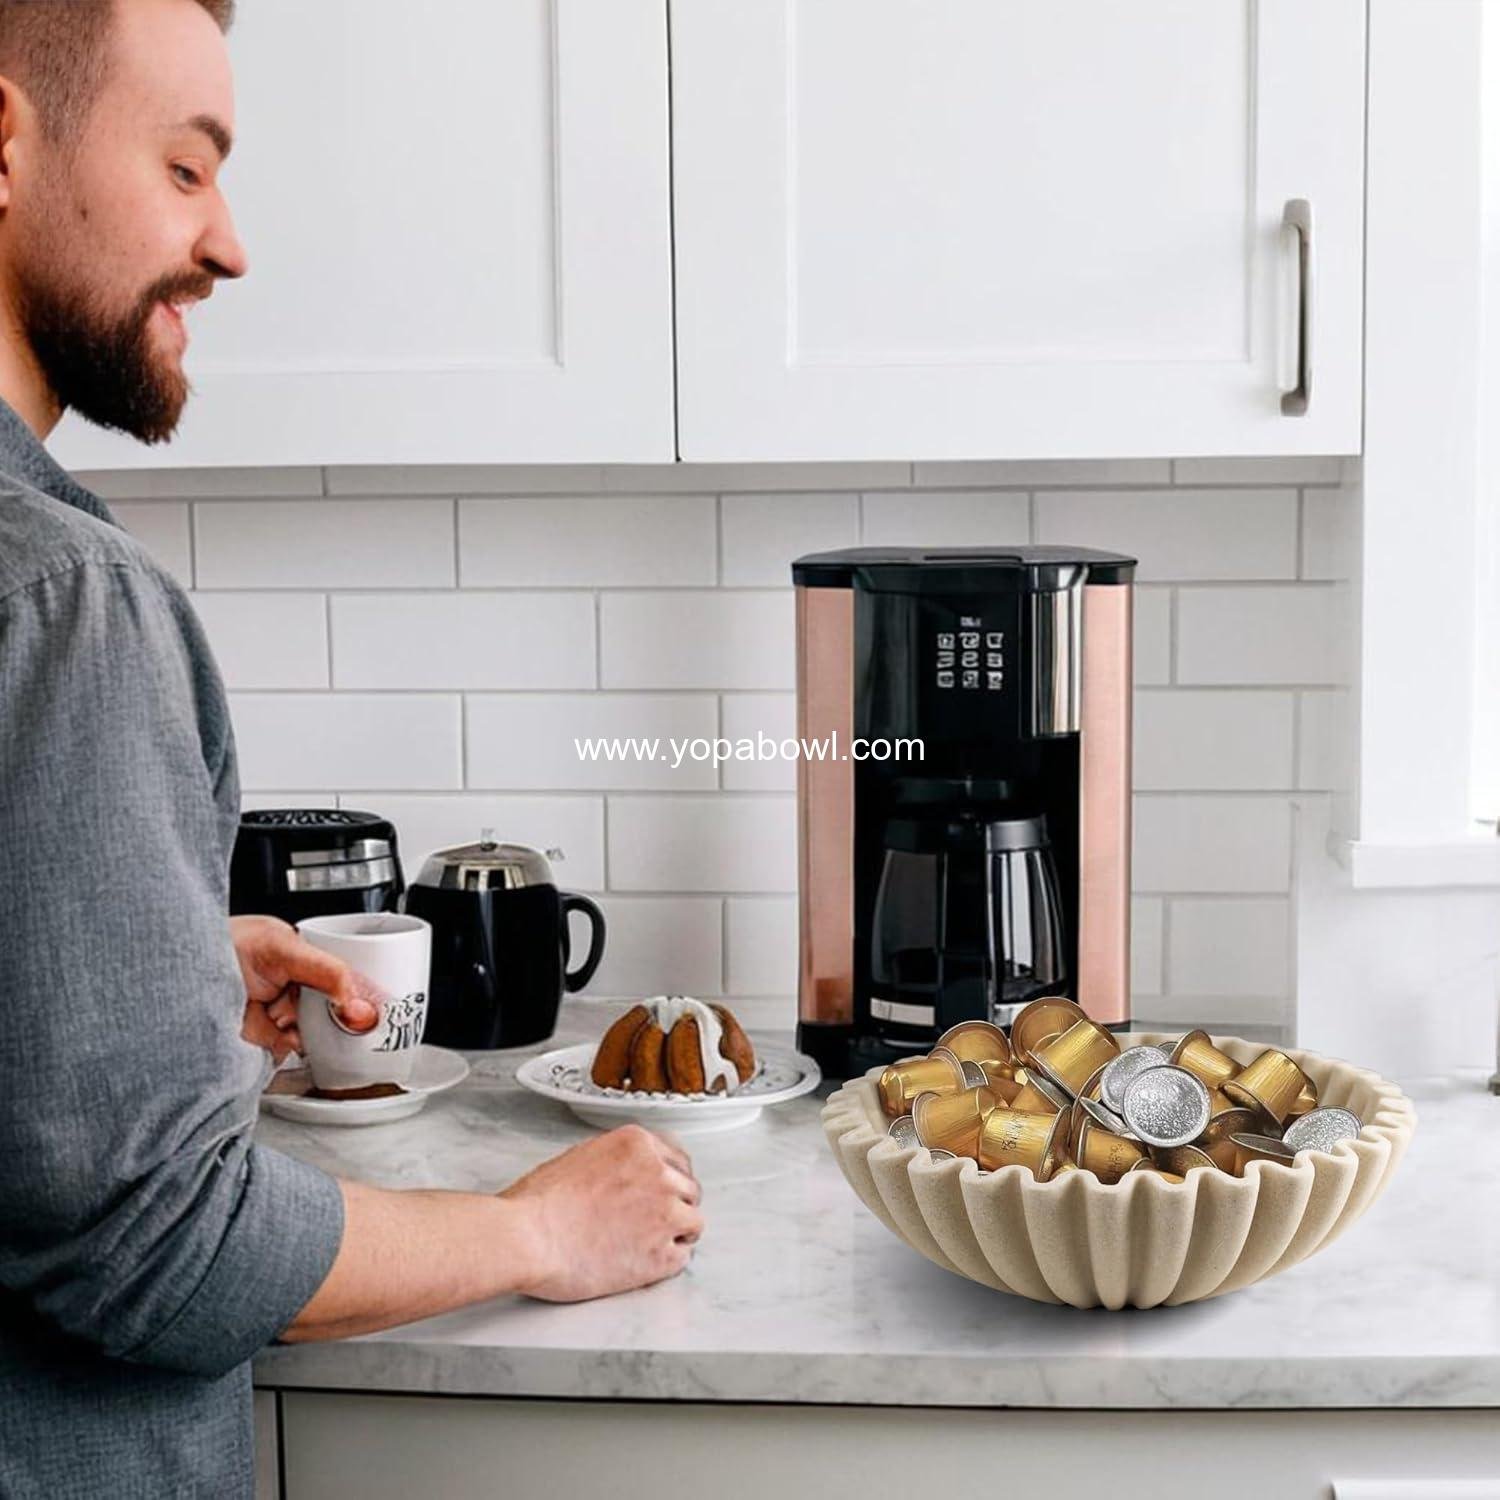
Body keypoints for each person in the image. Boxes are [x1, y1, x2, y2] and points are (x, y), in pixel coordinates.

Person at [0, 3, 703, 1495]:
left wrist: (162, 975)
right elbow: (157, 1242)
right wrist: (537, 1230)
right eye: (186, 170)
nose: (230, 244)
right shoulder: (66, 600)